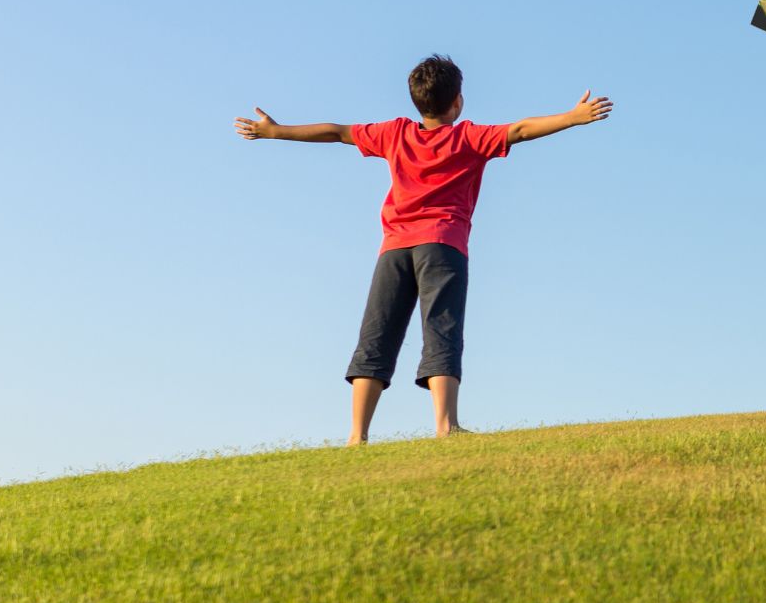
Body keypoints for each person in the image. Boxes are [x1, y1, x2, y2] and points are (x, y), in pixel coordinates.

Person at [234, 54, 612, 444]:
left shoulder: (394, 133)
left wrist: (275, 131)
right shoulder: (468, 137)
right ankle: (446, 426)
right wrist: (572, 117)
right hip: (443, 246)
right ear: (457, 102)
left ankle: (357, 435)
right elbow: (519, 130)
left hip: (394, 249)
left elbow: (337, 132)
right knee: (442, 330)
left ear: (416, 101)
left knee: (376, 334)